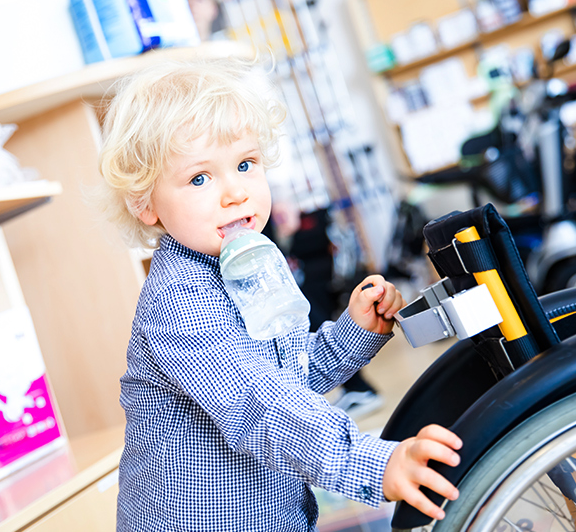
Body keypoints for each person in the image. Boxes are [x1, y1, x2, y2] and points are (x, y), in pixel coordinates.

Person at [95, 56, 462, 532]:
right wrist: (373, 463)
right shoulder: (178, 302)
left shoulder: (253, 262)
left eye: (245, 164)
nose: (236, 193)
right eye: (200, 178)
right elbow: (259, 403)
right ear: (145, 203)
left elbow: (288, 377)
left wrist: (352, 335)